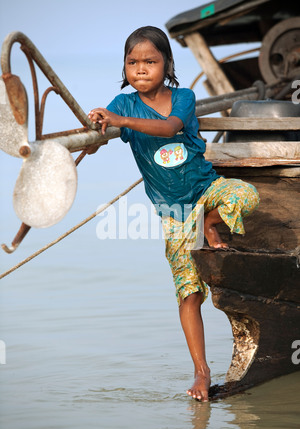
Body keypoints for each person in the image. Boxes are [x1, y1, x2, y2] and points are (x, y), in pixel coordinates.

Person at [88, 26, 260, 402]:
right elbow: (101, 137)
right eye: (132, 62)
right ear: (125, 67)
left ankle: (209, 223)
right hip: (172, 212)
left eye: (150, 61)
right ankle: (201, 371)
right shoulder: (123, 104)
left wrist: (122, 123)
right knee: (188, 293)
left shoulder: (183, 96)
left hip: (205, 189)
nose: (141, 69)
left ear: (166, 65)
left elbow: (169, 128)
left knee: (244, 195)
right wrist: (97, 128)